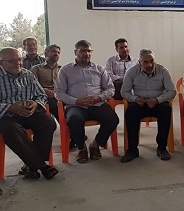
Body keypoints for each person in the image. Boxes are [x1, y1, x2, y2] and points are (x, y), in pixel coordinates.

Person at [55, 40, 119, 164]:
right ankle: (82, 148)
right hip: (75, 106)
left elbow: (110, 89)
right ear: (75, 52)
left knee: (112, 119)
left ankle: (95, 145)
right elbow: (59, 92)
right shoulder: (65, 70)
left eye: (89, 51)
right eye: (83, 51)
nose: (87, 54)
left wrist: (99, 98)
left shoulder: (99, 69)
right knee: (73, 120)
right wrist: (76, 101)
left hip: (97, 104)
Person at [0, 47, 58, 180]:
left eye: (19, 59)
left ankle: (30, 166)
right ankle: (43, 166)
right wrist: (11, 107)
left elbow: (41, 95)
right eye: (12, 61)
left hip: (28, 112)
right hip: (6, 116)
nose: (18, 63)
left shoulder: (27, 74)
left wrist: (36, 104)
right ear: (1, 63)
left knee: (48, 122)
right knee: (13, 130)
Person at [120, 49, 176, 163]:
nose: (149, 65)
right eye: (145, 62)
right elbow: (124, 92)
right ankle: (132, 149)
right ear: (139, 62)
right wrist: (135, 99)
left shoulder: (163, 71)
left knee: (166, 110)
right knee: (131, 112)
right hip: (140, 103)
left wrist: (157, 100)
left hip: (158, 102)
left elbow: (172, 91)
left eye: (152, 61)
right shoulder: (131, 72)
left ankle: (162, 148)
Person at [30, 44, 61, 120]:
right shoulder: (36, 69)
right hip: (44, 96)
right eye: (54, 51)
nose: (56, 54)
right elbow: (32, 86)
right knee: (54, 104)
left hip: (59, 95)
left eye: (58, 52)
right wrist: (44, 91)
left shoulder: (62, 69)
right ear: (46, 53)